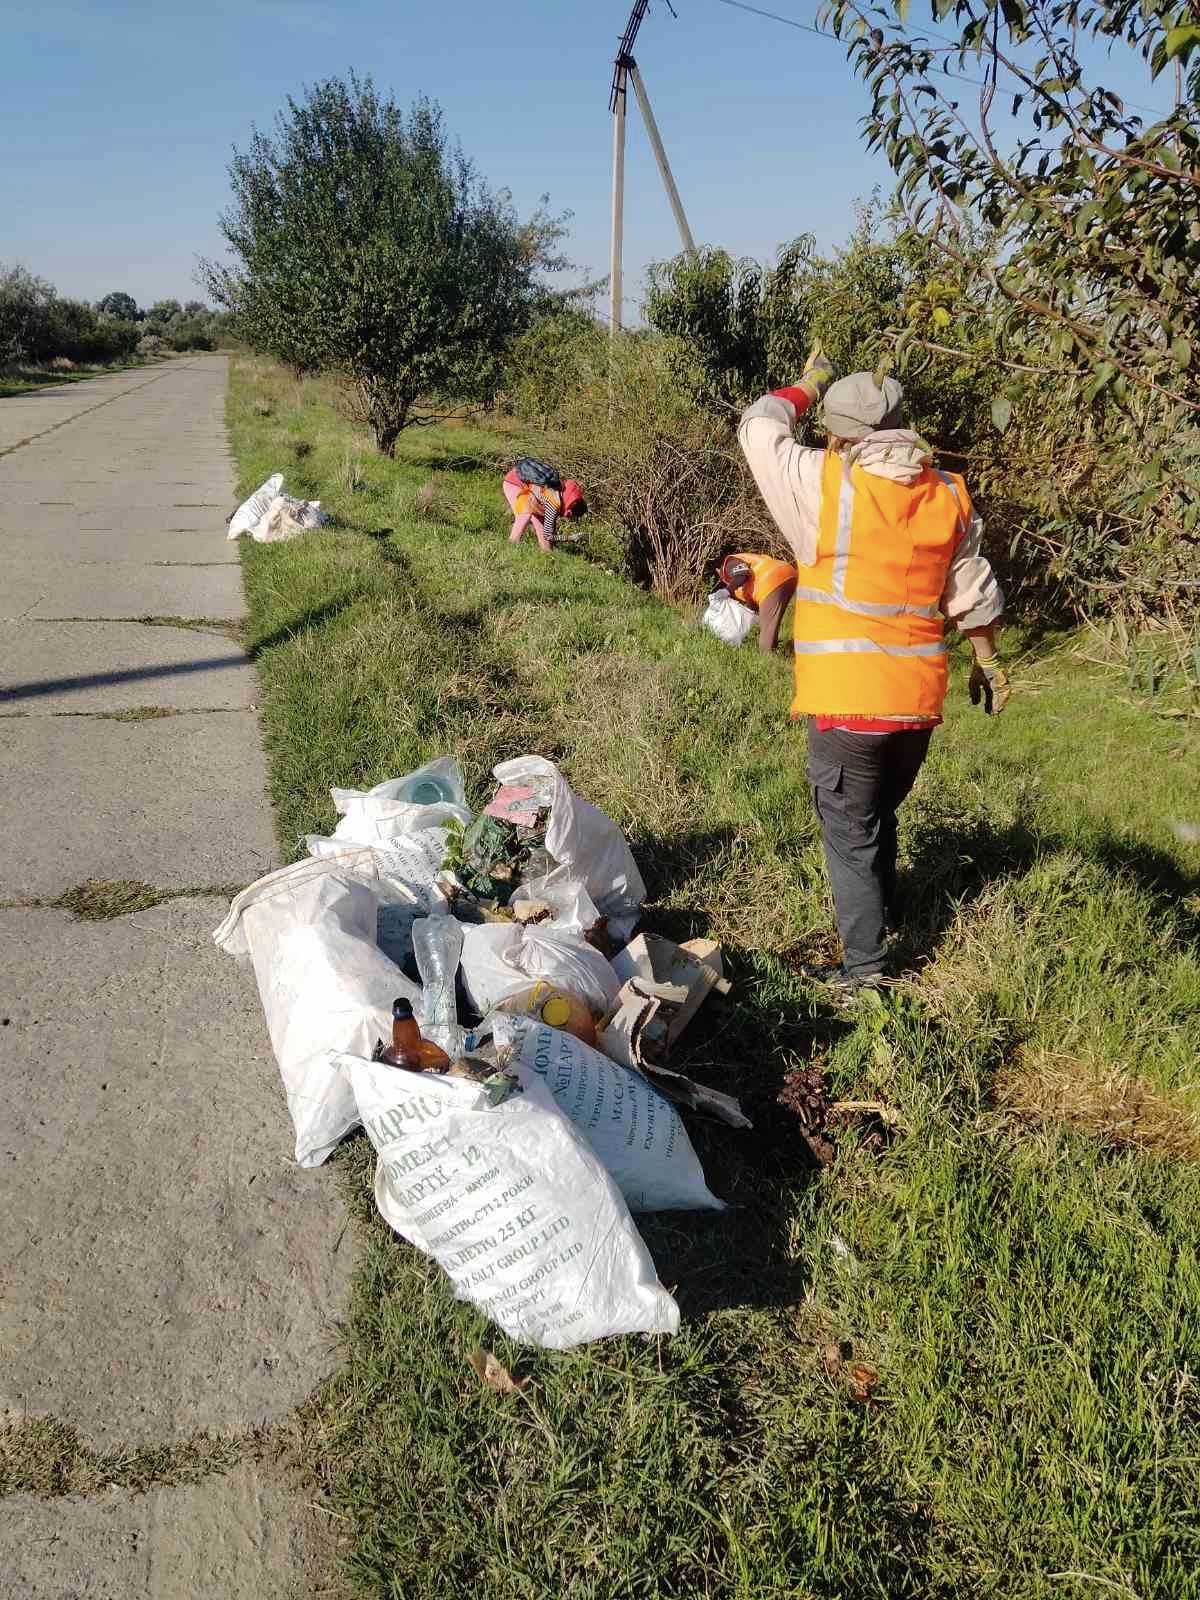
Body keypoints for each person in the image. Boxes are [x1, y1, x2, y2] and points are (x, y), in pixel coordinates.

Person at [738, 351, 1009, 993]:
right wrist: (989, 661)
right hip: (917, 705)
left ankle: (865, 972)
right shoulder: (945, 492)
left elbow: (757, 426)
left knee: (850, 834)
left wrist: (807, 384)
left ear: (837, 436)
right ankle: (885, 918)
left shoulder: (822, 481)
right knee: (879, 816)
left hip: (847, 704)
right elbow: (971, 588)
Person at [717, 552, 798, 653]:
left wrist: (727, 590)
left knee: (767, 631)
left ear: (718, 571)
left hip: (771, 580)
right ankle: (785, 650)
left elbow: (742, 573)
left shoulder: (728, 564)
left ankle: (766, 661)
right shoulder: (746, 564)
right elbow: (752, 609)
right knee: (771, 624)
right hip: (788, 573)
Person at [502, 463, 586, 551]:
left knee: (539, 520)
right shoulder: (553, 504)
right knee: (525, 514)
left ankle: (547, 553)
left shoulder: (560, 492)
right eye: (571, 517)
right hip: (514, 482)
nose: (568, 519)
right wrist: (571, 538)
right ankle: (511, 545)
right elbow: (548, 536)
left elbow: (548, 528)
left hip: (520, 479)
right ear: (569, 512)